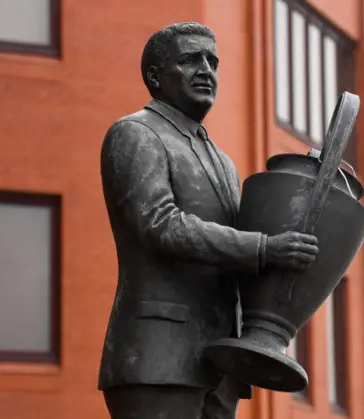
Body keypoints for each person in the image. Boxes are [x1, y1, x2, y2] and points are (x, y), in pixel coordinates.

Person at [98, 22, 319, 419]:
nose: (206, 70)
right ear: (154, 76)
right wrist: (264, 248)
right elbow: (159, 224)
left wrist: (315, 189)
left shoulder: (221, 159)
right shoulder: (135, 134)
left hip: (219, 364)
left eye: (212, 61)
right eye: (190, 60)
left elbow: (232, 244)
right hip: (157, 358)